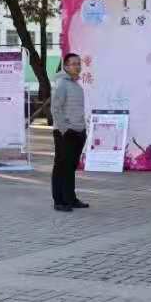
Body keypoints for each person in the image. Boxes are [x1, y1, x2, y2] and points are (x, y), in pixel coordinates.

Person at [51, 53, 89, 211]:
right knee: (61, 167)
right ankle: (59, 201)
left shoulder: (76, 85)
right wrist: (64, 130)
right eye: (73, 64)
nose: (77, 66)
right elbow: (55, 108)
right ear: (66, 66)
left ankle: (70, 198)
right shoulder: (61, 84)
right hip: (65, 133)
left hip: (78, 131)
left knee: (70, 167)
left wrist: (83, 129)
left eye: (78, 63)